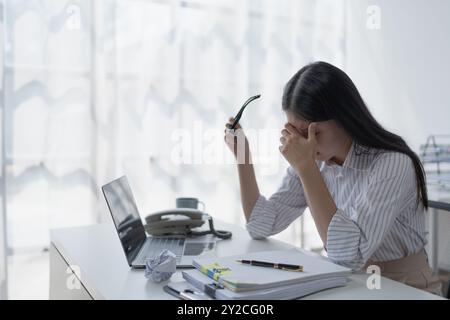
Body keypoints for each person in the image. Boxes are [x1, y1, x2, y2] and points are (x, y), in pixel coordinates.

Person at [224, 61, 441, 295]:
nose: (305, 142)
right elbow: (260, 224)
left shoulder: (392, 163)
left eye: (314, 132)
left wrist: (306, 167)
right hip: (350, 284)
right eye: (296, 132)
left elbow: (349, 254)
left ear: (345, 118)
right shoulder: (315, 160)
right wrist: (243, 155)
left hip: (405, 287)